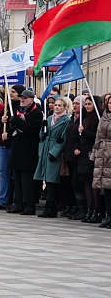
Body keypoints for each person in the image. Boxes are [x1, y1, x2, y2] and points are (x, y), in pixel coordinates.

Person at [5, 90, 44, 215]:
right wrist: (10, 126)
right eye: (21, 98)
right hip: (17, 147)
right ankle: (19, 203)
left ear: (32, 100)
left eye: (25, 98)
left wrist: (19, 122)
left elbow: (32, 130)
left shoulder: (36, 113)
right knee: (17, 178)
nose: (22, 100)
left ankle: (29, 205)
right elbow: (14, 128)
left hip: (29, 149)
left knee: (27, 180)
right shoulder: (17, 111)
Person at [34, 95, 72, 218]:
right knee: (46, 178)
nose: (56, 107)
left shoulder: (66, 120)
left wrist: (54, 152)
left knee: (52, 180)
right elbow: (42, 136)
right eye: (55, 105)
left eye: (59, 105)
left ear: (65, 107)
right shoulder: (50, 118)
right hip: (46, 148)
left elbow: (63, 140)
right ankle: (49, 207)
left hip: (54, 152)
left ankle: (52, 206)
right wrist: (43, 128)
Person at [0, 84, 24, 210]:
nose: (11, 94)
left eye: (14, 92)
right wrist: (1, 120)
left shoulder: (20, 108)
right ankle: (3, 199)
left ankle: (17, 200)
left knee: (15, 173)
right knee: (2, 172)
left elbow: (20, 126)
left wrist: (9, 135)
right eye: (10, 92)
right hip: (3, 145)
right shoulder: (6, 106)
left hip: (15, 144)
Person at [76, 95, 102, 223]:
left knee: (93, 184)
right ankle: (89, 208)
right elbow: (79, 137)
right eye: (85, 104)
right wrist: (77, 147)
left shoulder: (98, 118)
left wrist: (84, 131)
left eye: (89, 104)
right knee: (86, 182)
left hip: (93, 154)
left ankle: (96, 210)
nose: (87, 106)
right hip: (83, 154)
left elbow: (97, 136)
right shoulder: (84, 117)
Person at [92, 94, 111, 228]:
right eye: (109, 103)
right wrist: (94, 153)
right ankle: (109, 216)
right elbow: (98, 135)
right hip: (102, 153)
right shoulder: (104, 116)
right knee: (106, 188)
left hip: (109, 153)